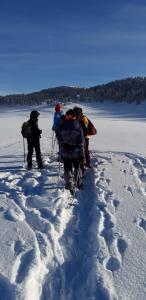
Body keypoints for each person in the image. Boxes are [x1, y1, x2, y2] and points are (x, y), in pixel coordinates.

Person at [59, 109, 85, 194]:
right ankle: (77, 182)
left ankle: (69, 184)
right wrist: (82, 154)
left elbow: (60, 140)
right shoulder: (78, 126)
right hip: (76, 153)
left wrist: (63, 148)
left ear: (67, 116)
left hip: (65, 152)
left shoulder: (62, 125)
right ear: (74, 116)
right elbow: (81, 142)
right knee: (77, 168)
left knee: (67, 169)